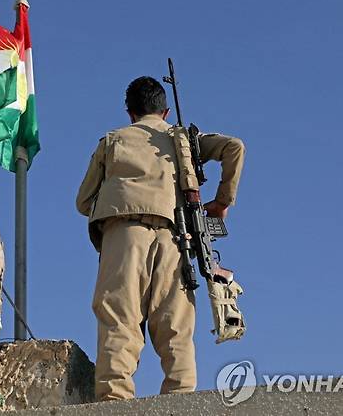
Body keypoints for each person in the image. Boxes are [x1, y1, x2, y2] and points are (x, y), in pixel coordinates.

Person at [76, 76, 246, 401]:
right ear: (165, 112)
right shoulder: (184, 139)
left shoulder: (113, 140)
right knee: (175, 324)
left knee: (120, 317)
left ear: (130, 113)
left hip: (124, 235)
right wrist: (222, 202)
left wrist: (119, 197)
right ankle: (179, 401)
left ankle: (114, 401)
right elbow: (234, 147)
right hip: (176, 235)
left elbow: (83, 202)